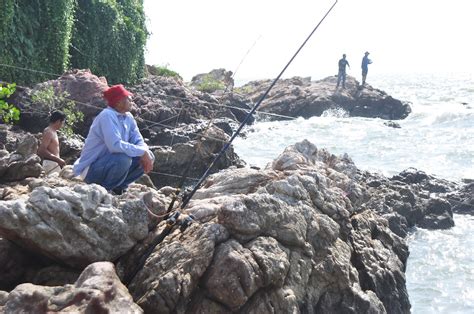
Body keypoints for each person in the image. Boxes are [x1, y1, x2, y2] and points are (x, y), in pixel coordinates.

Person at [73, 84, 154, 195]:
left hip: (108, 164)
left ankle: (119, 187)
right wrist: (141, 152)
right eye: (128, 99)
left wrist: (144, 152)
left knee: (149, 156)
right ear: (118, 102)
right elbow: (115, 145)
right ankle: (106, 190)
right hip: (92, 169)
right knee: (123, 159)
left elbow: (138, 139)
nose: (132, 101)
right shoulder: (107, 115)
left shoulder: (128, 117)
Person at [37, 110, 66, 175]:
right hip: (50, 164)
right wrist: (58, 160)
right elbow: (41, 150)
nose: (62, 125)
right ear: (58, 121)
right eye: (63, 123)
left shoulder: (53, 131)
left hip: (54, 164)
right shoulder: (49, 132)